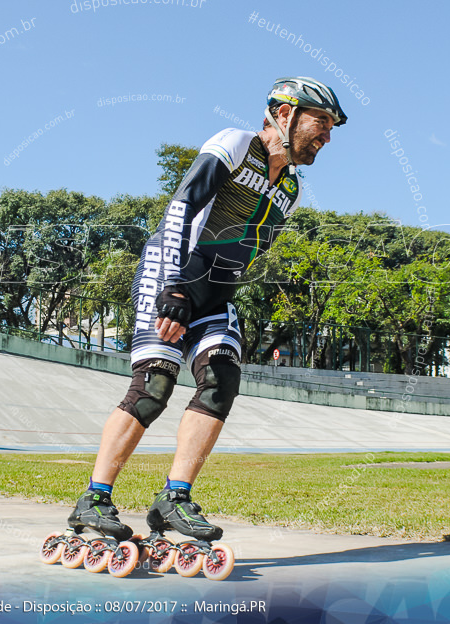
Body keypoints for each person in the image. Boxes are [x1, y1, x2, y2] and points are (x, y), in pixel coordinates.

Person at [67, 77, 347, 542]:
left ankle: (174, 498)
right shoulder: (235, 144)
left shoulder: (291, 190)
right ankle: (93, 498)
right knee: (154, 384)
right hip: (171, 271)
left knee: (221, 378)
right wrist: (174, 288)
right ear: (284, 114)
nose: (327, 136)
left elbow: (249, 253)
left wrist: (212, 297)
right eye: (321, 122)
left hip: (216, 291)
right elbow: (182, 208)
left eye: (332, 127)